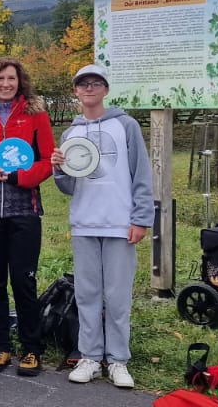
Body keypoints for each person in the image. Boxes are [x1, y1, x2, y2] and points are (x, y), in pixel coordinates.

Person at [52, 65, 155, 389]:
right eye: (83, 84)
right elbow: (69, 186)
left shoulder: (126, 126)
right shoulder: (71, 134)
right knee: (87, 294)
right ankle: (90, 357)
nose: (89, 88)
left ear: (106, 89)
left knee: (118, 295)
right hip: (84, 223)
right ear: (77, 91)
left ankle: (119, 360)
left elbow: (141, 174)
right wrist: (59, 169)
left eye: (96, 83)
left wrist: (141, 218)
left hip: (120, 223)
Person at [0, 57, 55, 377]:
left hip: (23, 209)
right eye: (0, 78)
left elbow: (46, 161)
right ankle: (0, 345)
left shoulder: (36, 115)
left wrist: (20, 178)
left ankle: (31, 349)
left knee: (23, 280)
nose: (6, 83)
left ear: (20, 82)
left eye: (11, 79)